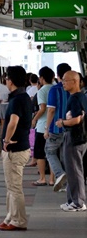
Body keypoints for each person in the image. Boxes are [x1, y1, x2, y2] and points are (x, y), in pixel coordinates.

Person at [0, 65, 32, 231]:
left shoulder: (17, 100)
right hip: (20, 148)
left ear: (11, 80)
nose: (6, 81)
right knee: (11, 187)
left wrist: (7, 140)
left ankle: (18, 221)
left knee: (15, 188)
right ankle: (10, 217)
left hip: (15, 150)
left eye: (7, 78)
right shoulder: (23, 97)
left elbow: (13, 122)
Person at [56, 71, 87, 212]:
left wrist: (63, 122)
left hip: (74, 138)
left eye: (65, 80)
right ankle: (71, 200)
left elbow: (77, 119)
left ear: (75, 81)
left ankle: (78, 202)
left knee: (75, 170)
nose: (62, 83)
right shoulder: (81, 97)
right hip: (80, 138)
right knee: (72, 170)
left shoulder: (75, 98)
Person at [44, 63, 71, 193]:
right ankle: (67, 184)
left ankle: (59, 174)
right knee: (64, 155)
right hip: (71, 129)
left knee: (49, 152)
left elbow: (51, 110)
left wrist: (46, 128)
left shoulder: (55, 90)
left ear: (58, 75)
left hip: (56, 129)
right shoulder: (75, 90)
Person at [31, 67, 54, 186]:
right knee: (52, 153)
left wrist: (34, 119)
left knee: (40, 153)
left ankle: (42, 178)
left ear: (42, 78)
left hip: (42, 127)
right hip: (54, 126)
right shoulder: (56, 89)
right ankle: (52, 179)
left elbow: (43, 108)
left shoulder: (42, 91)